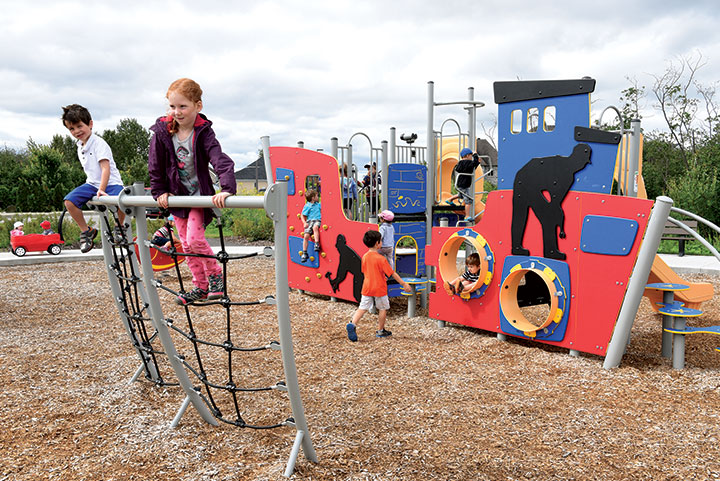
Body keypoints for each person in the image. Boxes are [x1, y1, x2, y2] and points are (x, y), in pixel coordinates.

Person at [148, 78, 237, 306]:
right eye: (172, 106)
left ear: (198, 106)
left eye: (182, 106)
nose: (176, 112)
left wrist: (227, 189)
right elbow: (155, 164)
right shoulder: (163, 132)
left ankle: (216, 276)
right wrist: (160, 191)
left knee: (195, 239)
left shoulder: (203, 133)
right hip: (177, 198)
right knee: (185, 245)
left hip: (198, 196)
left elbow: (220, 160)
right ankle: (200, 286)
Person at [61, 104, 126, 253]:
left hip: (110, 183)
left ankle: (120, 226)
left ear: (90, 124)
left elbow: (105, 168)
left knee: (120, 200)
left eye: (79, 126)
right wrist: (96, 188)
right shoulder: (80, 145)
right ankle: (87, 230)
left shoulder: (99, 143)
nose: (76, 131)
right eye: (72, 129)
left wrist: (102, 189)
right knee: (69, 202)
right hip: (91, 184)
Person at [346, 230, 411, 341]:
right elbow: (392, 273)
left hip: (367, 287)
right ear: (377, 243)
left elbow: (366, 271)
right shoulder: (381, 259)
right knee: (382, 308)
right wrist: (403, 283)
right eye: (381, 241)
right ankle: (381, 330)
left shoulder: (365, 257)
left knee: (362, 308)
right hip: (379, 288)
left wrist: (379, 275)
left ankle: (352, 324)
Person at [445, 147, 481, 222]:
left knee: (461, 195)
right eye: (471, 156)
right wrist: (475, 155)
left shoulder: (460, 163)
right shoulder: (468, 162)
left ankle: (449, 199)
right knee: (469, 199)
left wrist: (477, 161)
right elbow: (474, 164)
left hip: (460, 183)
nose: (471, 157)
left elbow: (469, 167)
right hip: (465, 184)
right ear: (467, 156)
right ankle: (467, 216)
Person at [300, 189, 321, 262]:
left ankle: (316, 243)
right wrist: (304, 223)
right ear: (313, 198)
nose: (318, 197)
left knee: (315, 227)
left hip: (317, 220)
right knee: (306, 236)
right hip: (309, 222)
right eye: (317, 196)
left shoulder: (318, 205)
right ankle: (304, 252)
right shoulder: (307, 206)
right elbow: (302, 215)